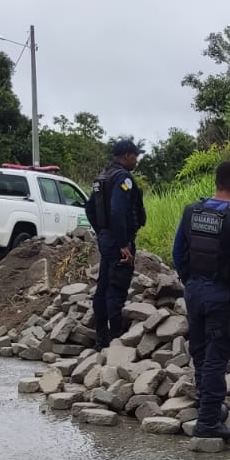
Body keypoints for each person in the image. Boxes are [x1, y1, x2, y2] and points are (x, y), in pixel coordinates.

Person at [173, 159, 230, 440]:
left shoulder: (192, 212)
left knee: (201, 353)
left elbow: (178, 254)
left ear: (216, 182)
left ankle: (209, 407)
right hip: (221, 296)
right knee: (215, 358)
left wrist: (191, 283)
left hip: (195, 294)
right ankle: (209, 422)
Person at [90, 138, 146, 348]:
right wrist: (123, 243)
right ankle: (114, 341)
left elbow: (90, 209)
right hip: (119, 241)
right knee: (116, 288)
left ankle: (101, 338)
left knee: (103, 286)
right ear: (126, 156)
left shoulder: (102, 177)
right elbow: (117, 210)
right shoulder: (122, 178)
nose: (136, 161)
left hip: (106, 239)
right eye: (135, 156)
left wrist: (102, 231)